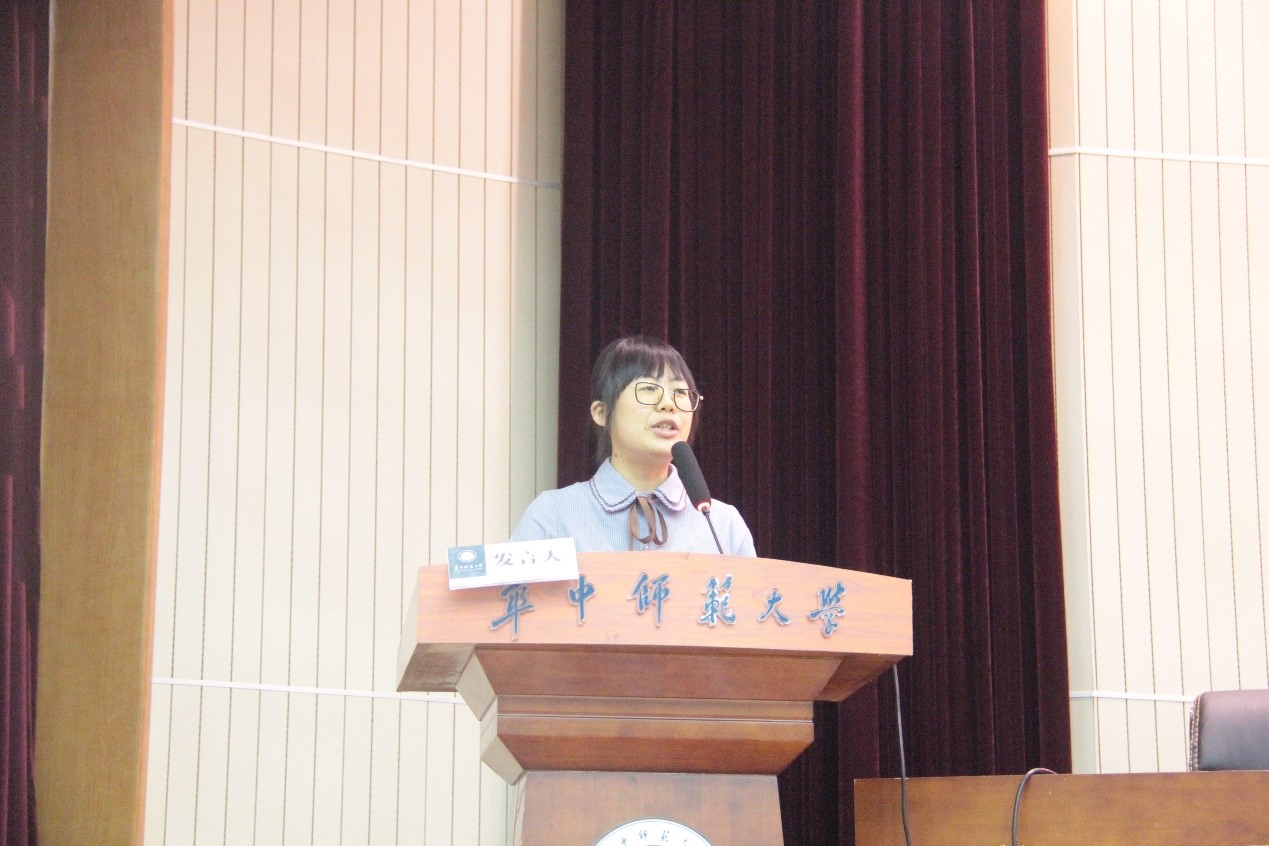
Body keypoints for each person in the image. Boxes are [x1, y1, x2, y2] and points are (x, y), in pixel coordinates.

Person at [511, 335, 756, 556]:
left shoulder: (723, 525)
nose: (668, 404)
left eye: (681, 392)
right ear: (602, 413)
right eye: (649, 388)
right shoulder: (553, 515)